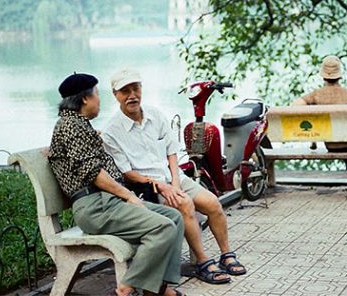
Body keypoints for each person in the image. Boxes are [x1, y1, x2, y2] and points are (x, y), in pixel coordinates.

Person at [101, 68, 246, 286]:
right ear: (115, 95)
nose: (132, 95)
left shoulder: (155, 115)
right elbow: (127, 172)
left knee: (213, 203)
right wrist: (164, 187)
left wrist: (175, 183)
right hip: (148, 186)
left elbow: (171, 151)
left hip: (173, 177)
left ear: (141, 89)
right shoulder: (112, 131)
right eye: (125, 91)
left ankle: (226, 254)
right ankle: (202, 262)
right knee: (185, 204)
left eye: (135, 88)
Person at [47, 72, 185, 296]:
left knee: (174, 217)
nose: (99, 100)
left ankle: (157, 288)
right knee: (162, 227)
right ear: (85, 99)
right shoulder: (72, 127)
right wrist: (129, 196)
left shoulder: (78, 126)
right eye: (97, 94)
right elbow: (94, 174)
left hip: (105, 202)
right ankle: (125, 288)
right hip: (95, 206)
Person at [292, 55, 347, 184]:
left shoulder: (316, 95)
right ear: (339, 75)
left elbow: (294, 106)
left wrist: (313, 114)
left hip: (332, 145)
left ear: (323, 75)